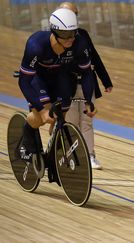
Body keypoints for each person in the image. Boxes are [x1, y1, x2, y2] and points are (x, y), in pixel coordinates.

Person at [18, 8, 96, 174]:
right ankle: (27, 132)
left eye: (72, 33)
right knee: (43, 117)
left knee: (59, 117)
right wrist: (40, 109)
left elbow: (87, 73)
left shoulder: (80, 44)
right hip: (37, 78)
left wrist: (89, 100)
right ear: (53, 31)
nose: (70, 39)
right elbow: (24, 82)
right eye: (64, 34)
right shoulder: (36, 45)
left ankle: (53, 153)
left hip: (61, 76)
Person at [58, 2, 113, 170]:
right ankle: (68, 154)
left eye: (75, 14)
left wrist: (106, 80)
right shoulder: (54, 38)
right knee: (72, 122)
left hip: (86, 82)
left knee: (87, 121)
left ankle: (90, 155)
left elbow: (94, 57)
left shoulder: (82, 34)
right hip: (67, 85)